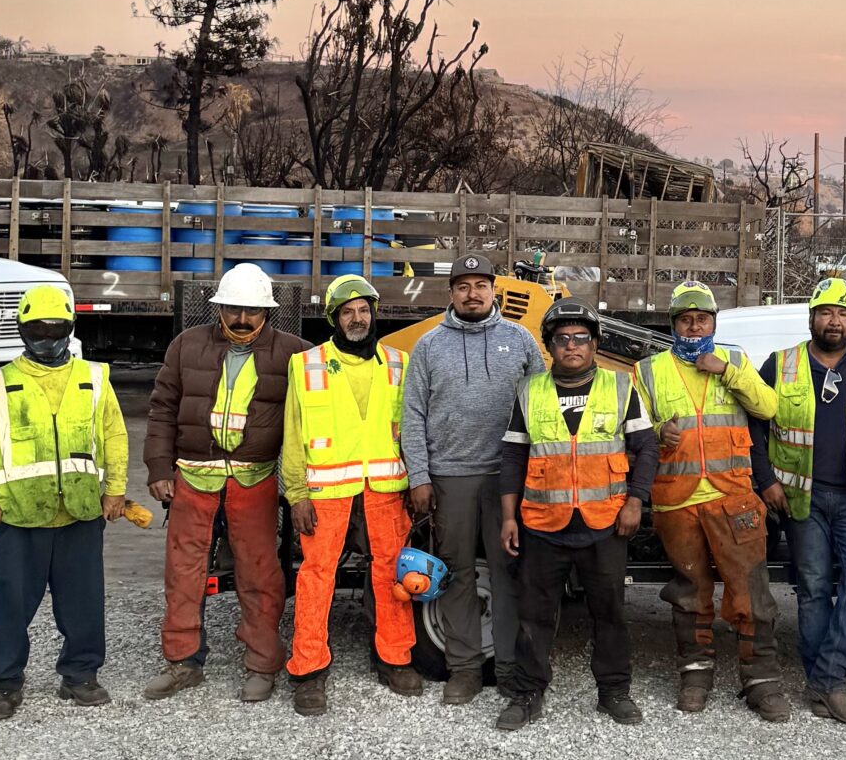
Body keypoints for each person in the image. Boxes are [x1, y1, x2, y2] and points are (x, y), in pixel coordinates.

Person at [142, 261, 307, 703]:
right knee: (184, 573)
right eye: (234, 309)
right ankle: (183, 663)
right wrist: (158, 468)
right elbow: (162, 408)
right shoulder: (186, 346)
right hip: (193, 478)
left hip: (254, 480)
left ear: (267, 312)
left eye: (252, 311)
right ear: (219, 308)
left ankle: (262, 664)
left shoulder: (294, 354)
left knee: (260, 573)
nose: (242, 319)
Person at [0, 282, 129, 720]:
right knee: (9, 604)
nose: (48, 338)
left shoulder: (94, 378)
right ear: (23, 330)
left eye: (56, 329)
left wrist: (115, 488)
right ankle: (4, 684)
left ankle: (80, 676)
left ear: (70, 328)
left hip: (80, 511)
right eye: (38, 329)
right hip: (17, 515)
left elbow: (113, 434)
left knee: (84, 602)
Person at [497, 301, 657, 732]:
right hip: (542, 523)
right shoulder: (529, 390)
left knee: (610, 613)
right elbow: (513, 456)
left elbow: (646, 448)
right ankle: (527, 693)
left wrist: (636, 501)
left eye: (581, 338)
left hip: (604, 522)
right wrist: (509, 517)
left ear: (595, 344)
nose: (572, 345)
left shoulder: (621, 387)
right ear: (549, 346)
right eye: (562, 339)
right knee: (534, 614)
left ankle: (614, 691)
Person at [636, 281, 786, 721]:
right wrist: (659, 431)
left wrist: (726, 372)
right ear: (673, 324)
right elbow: (634, 429)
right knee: (689, 593)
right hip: (676, 500)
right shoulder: (648, 370)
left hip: (733, 497)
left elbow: (768, 407)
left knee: (752, 592)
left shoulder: (734, 360)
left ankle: (762, 681)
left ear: (714, 323)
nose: (694, 326)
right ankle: (695, 676)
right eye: (686, 320)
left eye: (702, 319)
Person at [400, 252, 544, 705]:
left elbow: (542, 407)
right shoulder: (428, 345)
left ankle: (508, 667)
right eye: (463, 287)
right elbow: (412, 414)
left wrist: (539, 471)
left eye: (481, 285)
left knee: (508, 573)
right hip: (450, 476)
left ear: (494, 291)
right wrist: (419, 476)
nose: (472, 294)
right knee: (458, 573)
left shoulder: (520, 340)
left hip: (507, 476)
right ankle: (463, 669)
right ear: (452, 293)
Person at [751, 276, 846, 724]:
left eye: (843, 314)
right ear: (811, 318)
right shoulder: (781, 364)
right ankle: (824, 682)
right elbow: (755, 427)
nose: (834, 321)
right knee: (813, 588)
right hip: (799, 497)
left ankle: (826, 678)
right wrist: (766, 481)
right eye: (826, 312)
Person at [280, 274, 416, 717]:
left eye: (363, 310)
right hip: (326, 491)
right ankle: (308, 669)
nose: (357, 319)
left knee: (392, 574)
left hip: (386, 488)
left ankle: (395, 658)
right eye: (347, 312)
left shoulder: (399, 363)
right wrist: (296, 494)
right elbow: (293, 434)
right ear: (334, 319)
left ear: (373, 314)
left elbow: (412, 429)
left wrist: (418, 482)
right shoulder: (307, 364)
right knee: (316, 577)